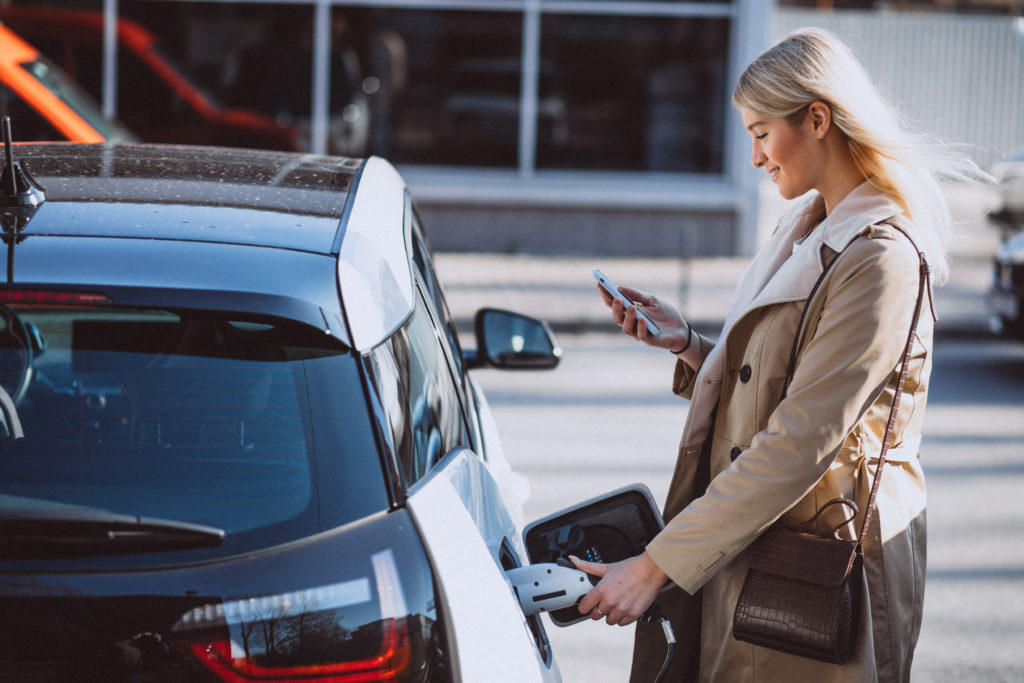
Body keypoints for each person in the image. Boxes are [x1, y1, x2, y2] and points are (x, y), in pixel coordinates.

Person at [569, 27, 986, 683]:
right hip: (761, 542)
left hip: (818, 562)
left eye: (763, 132)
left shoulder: (880, 258)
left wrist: (655, 566)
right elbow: (782, 381)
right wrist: (689, 344)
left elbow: (801, 438)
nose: (757, 155)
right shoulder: (807, 228)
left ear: (817, 118)